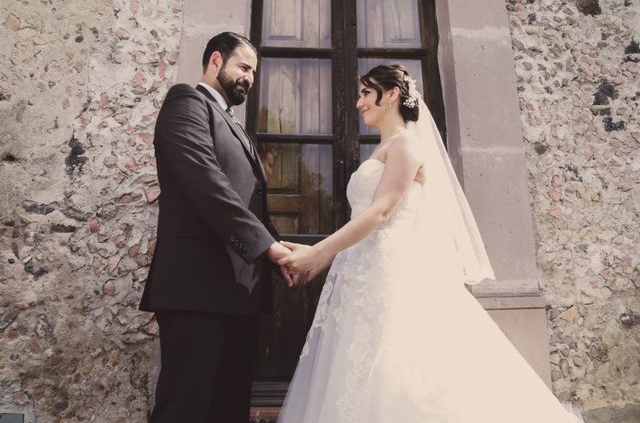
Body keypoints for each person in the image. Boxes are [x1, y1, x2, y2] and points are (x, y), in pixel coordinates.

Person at [276, 65, 583, 422]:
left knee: (399, 372)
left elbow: (380, 213)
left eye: (365, 92)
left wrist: (317, 250)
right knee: (356, 370)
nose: (359, 103)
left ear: (391, 94)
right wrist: (320, 262)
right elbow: (361, 221)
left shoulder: (406, 145)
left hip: (393, 276)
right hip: (361, 274)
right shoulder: (383, 149)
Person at [139, 31, 298, 423]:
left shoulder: (235, 125)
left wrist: (277, 245)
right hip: (196, 291)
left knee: (227, 411)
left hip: (239, 292)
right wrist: (267, 247)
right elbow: (207, 184)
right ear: (215, 61)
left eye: (253, 72)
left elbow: (247, 200)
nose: (249, 78)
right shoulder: (185, 103)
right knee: (185, 409)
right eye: (243, 67)